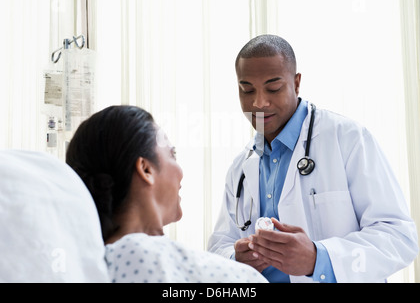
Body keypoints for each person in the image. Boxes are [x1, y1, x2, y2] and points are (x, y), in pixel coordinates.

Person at [207, 34, 418, 283]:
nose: (259, 103)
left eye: (273, 88)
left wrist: (319, 259)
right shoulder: (241, 167)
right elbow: (219, 245)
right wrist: (235, 259)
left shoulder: (347, 139)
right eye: (247, 90)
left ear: (296, 83)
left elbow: (398, 237)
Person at [66, 105, 267, 283]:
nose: (180, 170)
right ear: (146, 170)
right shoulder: (147, 259)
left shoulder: (74, 266)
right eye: (172, 154)